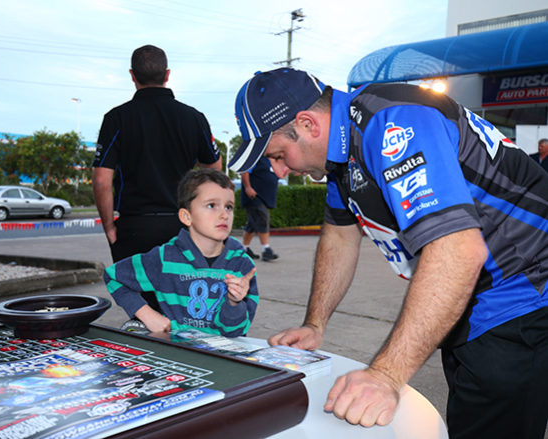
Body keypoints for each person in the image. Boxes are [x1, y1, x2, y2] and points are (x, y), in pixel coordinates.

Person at [228, 68, 548, 438]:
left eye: (280, 154)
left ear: (307, 124)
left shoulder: (393, 122)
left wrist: (385, 375)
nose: (280, 171)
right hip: (473, 304)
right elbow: (339, 238)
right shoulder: (343, 157)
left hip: (522, 296)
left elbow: (458, 250)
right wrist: (315, 323)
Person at [92, 44, 221, 314]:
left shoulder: (117, 118)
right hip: (183, 227)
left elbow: (103, 180)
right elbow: (215, 172)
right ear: (167, 74)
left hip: (134, 227)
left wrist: (109, 227)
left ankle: (147, 348)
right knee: (184, 309)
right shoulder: (193, 118)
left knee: (145, 311)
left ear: (132, 75)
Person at [104, 168, 257, 337]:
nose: (224, 215)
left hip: (224, 357)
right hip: (175, 354)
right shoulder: (164, 258)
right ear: (186, 216)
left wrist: (234, 303)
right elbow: (113, 276)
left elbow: (234, 332)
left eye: (229, 207)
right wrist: (146, 314)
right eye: (212, 205)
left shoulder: (243, 266)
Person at [240, 155, 279, 261]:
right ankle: (266, 250)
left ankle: (244, 249)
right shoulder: (255, 157)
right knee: (262, 218)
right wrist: (248, 187)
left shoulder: (269, 160)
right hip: (254, 196)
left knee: (252, 224)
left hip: (263, 197)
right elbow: (245, 171)